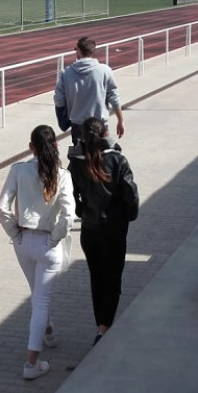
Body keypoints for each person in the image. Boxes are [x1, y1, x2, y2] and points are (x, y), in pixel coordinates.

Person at [0, 125, 75, 380]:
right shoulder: (62, 174)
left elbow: (2, 207)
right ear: (56, 146)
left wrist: (14, 233)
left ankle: (49, 332)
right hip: (48, 242)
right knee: (40, 302)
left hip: (24, 241)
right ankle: (31, 362)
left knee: (36, 294)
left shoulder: (19, 170)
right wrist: (55, 237)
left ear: (32, 147)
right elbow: (68, 213)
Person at [67, 117, 139, 345]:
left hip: (89, 230)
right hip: (113, 230)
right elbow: (130, 194)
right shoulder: (117, 160)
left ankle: (101, 323)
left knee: (96, 278)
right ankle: (104, 327)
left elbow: (71, 193)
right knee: (113, 279)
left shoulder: (76, 162)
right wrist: (128, 215)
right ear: (105, 133)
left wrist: (81, 210)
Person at [54, 36, 125, 145]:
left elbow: (59, 99)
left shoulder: (66, 73)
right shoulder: (104, 70)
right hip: (100, 125)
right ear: (93, 51)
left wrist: (63, 119)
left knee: (81, 159)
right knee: (101, 158)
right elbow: (114, 98)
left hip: (78, 125)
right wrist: (120, 121)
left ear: (79, 51)